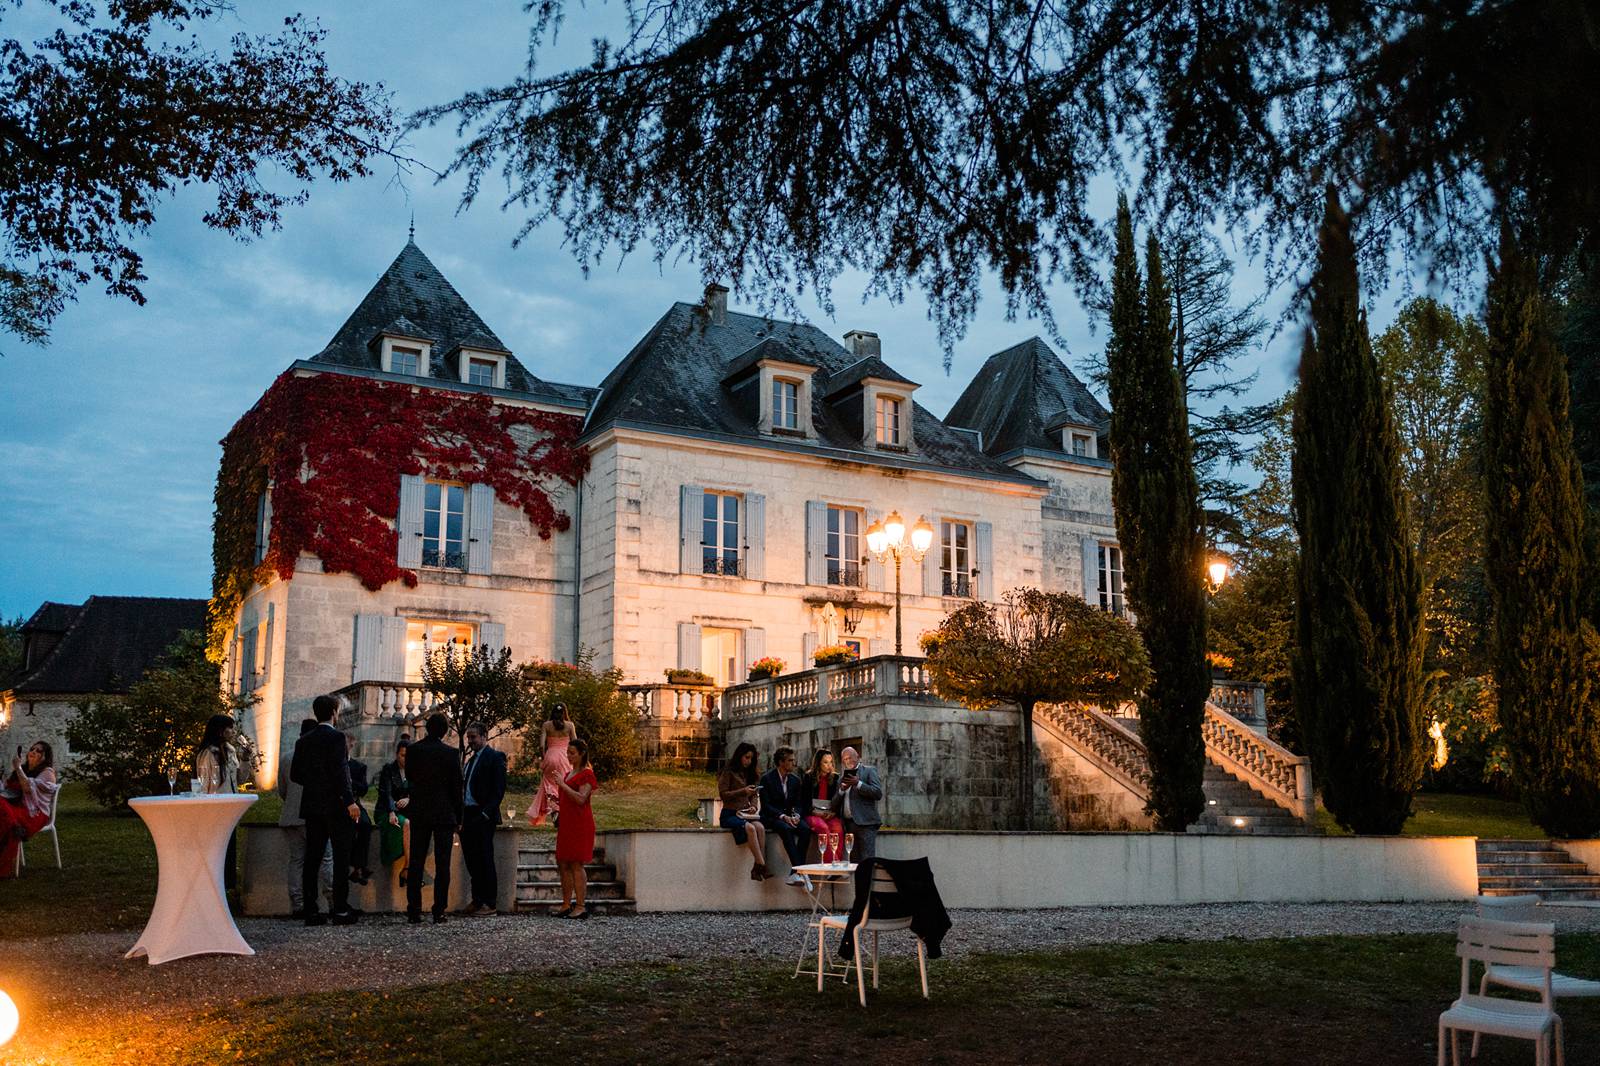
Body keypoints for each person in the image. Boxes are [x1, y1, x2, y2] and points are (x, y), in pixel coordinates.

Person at [288, 695, 361, 926]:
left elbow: (295, 775)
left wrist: (315, 782)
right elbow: (341, 772)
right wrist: (349, 801)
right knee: (340, 857)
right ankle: (340, 909)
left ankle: (311, 910)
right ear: (333, 712)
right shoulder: (337, 738)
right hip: (335, 806)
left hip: (312, 805)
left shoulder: (303, 741)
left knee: (312, 858)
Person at [403, 712, 463, 924]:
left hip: (420, 810)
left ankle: (414, 909)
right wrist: (459, 816)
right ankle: (439, 909)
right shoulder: (450, 753)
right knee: (443, 863)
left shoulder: (413, 750)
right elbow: (457, 788)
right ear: (445, 731)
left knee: (416, 861)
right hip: (444, 813)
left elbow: (409, 777)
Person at [278, 718, 332, 917]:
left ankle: (298, 903)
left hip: (290, 815)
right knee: (325, 858)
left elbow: (282, 790)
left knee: (297, 861)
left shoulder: (286, 757)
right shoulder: (317, 756)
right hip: (313, 814)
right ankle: (331, 899)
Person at [459, 721, 507, 917]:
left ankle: (489, 901)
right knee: (472, 859)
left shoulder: (494, 757)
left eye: (473, 737)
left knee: (485, 858)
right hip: (468, 813)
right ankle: (477, 899)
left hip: (482, 814)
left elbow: (498, 789)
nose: (470, 741)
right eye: (468, 737)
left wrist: (486, 812)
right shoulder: (470, 760)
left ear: (484, 736)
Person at [194, 714, 241, 894]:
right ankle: (213, 885)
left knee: (228, 848)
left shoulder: (230, 750)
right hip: (215, 806)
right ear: (220, 731)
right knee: (216, 848)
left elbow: (239, 779)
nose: (233, 731)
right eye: (230, 728)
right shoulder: (209, 753)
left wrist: (244, 760)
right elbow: (205, 783)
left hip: (230, 805)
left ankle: (226, 886)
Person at [0, 740, 59, 878]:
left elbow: (26, 787)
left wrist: (17, 767)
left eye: (39, 751)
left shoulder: (47, 772)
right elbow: (9, 789)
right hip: (18, 809)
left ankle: (15, 828)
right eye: (32, 749)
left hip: (35, 815)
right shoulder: (25, 769)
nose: (33, 752)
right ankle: (15, 827)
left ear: (45, 756)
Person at [554, 737, 597, 920]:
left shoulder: (587, 774)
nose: (569, 756)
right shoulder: (567, 774)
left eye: (572, 753)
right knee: (563, 862)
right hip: (567, 823)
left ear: (582, 754)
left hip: (580, 824)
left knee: (576, 863)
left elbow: (581, 798)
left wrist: (562, 785)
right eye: (568, 753)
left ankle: (580, 905)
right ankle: (566, 904)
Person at [717, 742, 770, 881]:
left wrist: (753, 806)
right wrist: (743, 791)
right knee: (750, 828)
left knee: (760, 827)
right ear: (740, 756)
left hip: (745, 813)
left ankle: (757, 867)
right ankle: (762, 865)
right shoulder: (728, 771)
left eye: (751, 758)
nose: (749, 761)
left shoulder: (750, 773)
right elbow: (723, 794)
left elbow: (754, 794)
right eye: (746, 757)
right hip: (730, 813)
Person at [758, 746, 810, 884]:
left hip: (790, 816)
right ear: (781, 762)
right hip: (772, 817)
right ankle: (800, 870)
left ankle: (795, 872)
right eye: (790, 760)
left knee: (805, 829)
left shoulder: (795, 780)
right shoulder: (766, 779)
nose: (794, 763)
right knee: (786, 829)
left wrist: (797, 815)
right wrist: (782, 816)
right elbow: (766, 805)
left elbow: (799, 803)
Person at [526, 702, 576, 827]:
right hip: (565, 758)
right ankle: (563, 811)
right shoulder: (570, 725)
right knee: (564, 785)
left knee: (550, 786)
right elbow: (576, 743)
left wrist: (544, 758)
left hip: (550, 756)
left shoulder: (546, 725)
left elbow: (542, 745)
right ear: (565, 712)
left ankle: (555, 810)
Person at [830, 745, 883, 862]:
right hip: (848, 825)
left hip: (866, 824)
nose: (847, 761)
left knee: (867, 861)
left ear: (858, 756)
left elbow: (878, 793)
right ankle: (857, 881)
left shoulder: (869, 771)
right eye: (844, 759)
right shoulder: (841, 779)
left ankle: (867, 881)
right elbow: (833, 805)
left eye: (849, 758)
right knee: (853, 862)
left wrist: (858, 783)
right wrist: (842, 790)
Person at [374, 737, 411, 883]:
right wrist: (391, 812)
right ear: (397, 754)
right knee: (406, 823)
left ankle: (407, 868)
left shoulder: (413, 771)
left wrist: (409, 799)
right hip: (386, 810)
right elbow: (386, 793)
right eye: (402, 755)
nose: (405, 759)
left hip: (406, 810)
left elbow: (418, 791)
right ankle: (408, 868)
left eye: (408, 756)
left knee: (413, 824)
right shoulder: (388, 769)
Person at [345, 733, 375, 886]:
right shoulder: (335, 765)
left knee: (365, 824)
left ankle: (359, 866)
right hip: (341, 806)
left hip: (355, 803)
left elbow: (364, 789)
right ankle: (358, 867)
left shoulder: (358, 766)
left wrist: (351, 782)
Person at [803, 748, 844, 862]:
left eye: (831, 762)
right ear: (818, 763)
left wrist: (833, 813)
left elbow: (839, 799)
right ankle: (833, 863)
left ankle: (837, 862)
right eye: (825, 762)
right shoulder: (808, 777)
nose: (829, 765)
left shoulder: (836, 778)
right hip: (813, 813)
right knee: (823, 828)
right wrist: (814, 812)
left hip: (829, 813)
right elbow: (804, 800)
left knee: (838, 829)